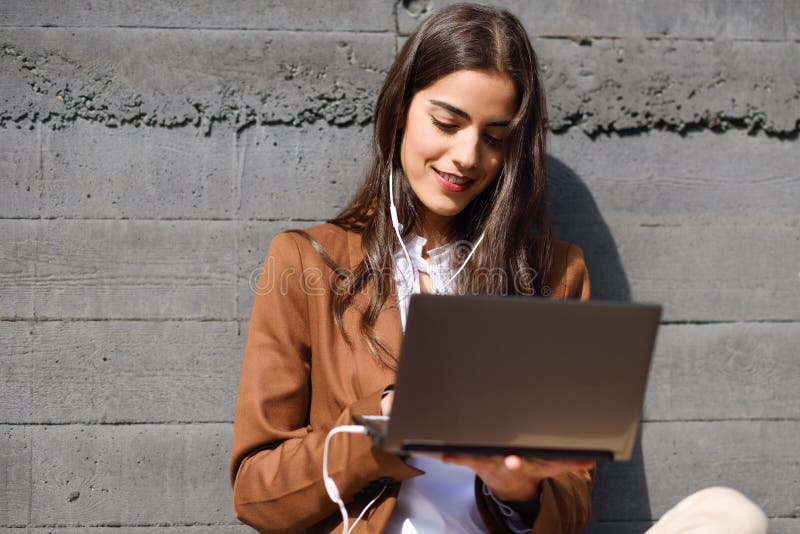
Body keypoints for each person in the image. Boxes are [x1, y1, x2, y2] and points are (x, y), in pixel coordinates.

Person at [230, 3, 769, 533]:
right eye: (447, 122)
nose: (467, 155)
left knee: (730, 515)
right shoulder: (307, 261)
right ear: (399, 112)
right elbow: (256, 494)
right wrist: (382, 422)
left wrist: (517, 489)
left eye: (495, 137)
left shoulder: (556, 275)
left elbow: (573, 503)